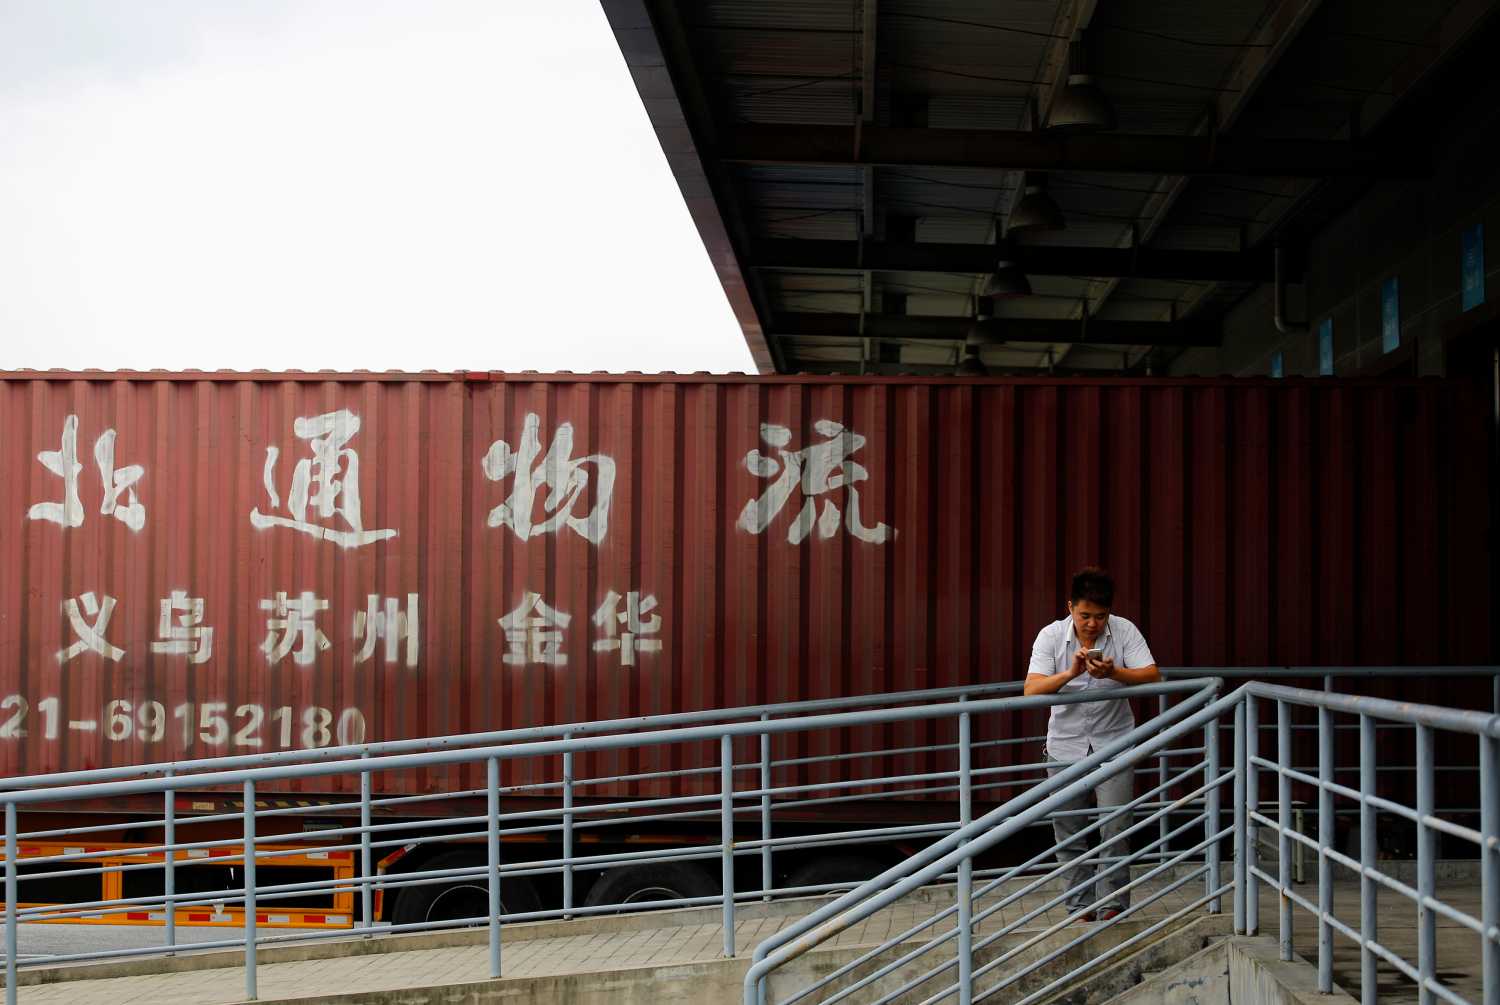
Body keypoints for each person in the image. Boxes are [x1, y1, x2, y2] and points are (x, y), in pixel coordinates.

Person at [1023, 567, 1160, 922]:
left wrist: (1113, 673)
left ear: (1109, 612)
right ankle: (1079, 909)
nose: (1092, 624)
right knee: (1069, 832)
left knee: (1116, 825)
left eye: (1100, 616)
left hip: (1115, 742)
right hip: (1064, 747)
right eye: (1084, 615)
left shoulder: (1125, 629)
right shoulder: (1051, 636)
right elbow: (1031, 688)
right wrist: (1071, 674)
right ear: (1070, 607)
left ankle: (1113, 906)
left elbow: (1151, 675)